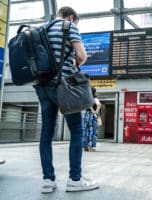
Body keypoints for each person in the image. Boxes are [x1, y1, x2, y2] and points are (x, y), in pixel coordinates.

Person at [33, 7, 99, 193]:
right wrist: (76, 64)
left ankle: (48, 180)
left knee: (46, 133)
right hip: (63, 86)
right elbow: (82, 55)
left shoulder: (41, 28)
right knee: (77, 131)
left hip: (42, 86)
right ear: (71, 17)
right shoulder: (69, 26)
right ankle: (75, 180)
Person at [82, 87, 101, 152]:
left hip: (86, 116)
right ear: (94, 92)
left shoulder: (86, 98)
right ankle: (92, 147)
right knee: (93, 131)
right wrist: (96, 112)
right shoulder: (95, 98)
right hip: (92, 116)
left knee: (85, 131)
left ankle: (85, 146)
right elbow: (98, 105)